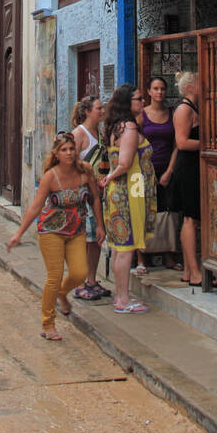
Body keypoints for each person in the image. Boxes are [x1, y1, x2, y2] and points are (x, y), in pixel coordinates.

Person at [7, 130, 104, 340]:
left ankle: (62, 293)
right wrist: (19, 233)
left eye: (71, 149)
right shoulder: (50, 177)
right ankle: (48, 323)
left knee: (80, 273)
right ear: (56, 153)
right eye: (64, 150)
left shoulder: (85, 170)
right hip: (51, 231)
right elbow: (35, 207)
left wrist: (100, 226)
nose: (69, 153)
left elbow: (95, 199)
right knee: (54, 275)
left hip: (77, 230)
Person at [99, 85, 157, 314]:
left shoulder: (116, 127)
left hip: (120, 192)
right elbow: (124, 163)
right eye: (139, 98)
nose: (143, 101)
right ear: (127, 102)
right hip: (129, 192)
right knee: (125, 248)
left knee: (118, 248)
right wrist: (110, 177)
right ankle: (123, 299)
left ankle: (122, 296)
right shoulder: (129, 127)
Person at [70, 96, 111, 301]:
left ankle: (92, 280)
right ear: (87, 112)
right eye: (98, 108)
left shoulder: (100, 133)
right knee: (85, 240)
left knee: (95, 239)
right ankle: (83, 281)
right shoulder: (79, 134)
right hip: (85, 195)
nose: (102, 111)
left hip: (99, 194)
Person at [138, 76, 179, 272]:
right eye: (155, 88)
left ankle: (169, 255)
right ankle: (142, 258)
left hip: (167, 170)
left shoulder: (172, 114)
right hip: (145, 170)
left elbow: (176, 145)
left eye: (162, 88)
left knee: (168, 212)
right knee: (144, 212)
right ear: (148, 91)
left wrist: (170, 170)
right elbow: (135, 144)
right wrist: (146, 171)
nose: (159, 92)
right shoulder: (141, 116)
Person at [171, 70, 205, 286]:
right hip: (188, 165)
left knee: (190, 219)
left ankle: (188, 271)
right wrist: (208, 144)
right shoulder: (184, 109)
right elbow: (182, 142)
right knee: (190, 219)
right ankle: (195, 272)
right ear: (191, 87)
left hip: (191, 165)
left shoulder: (190, 108)